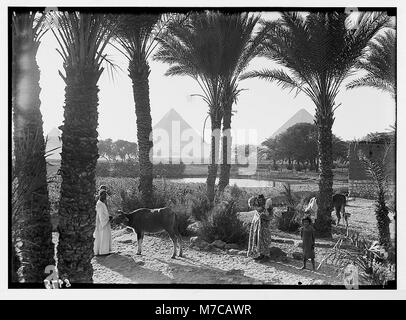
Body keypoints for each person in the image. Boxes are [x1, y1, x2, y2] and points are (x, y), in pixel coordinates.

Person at [247, 194, 272, 261]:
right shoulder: (259, 207)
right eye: (259, 200)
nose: (260, 201)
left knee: (264, 240)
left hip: (264, 227)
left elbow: (270, 216)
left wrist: (263, 215)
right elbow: (257, 214)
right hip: (257, 226)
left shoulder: (267, 206)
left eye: (261, 200)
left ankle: (266, 256)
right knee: (258, 241)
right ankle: (261, 255)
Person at [93, 189, 112, 256]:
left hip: (104, 223)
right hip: (102, 224)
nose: (105, 196)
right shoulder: (100, 204)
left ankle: (103, 251)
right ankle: (103, 252)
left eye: (105, 195)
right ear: (100, 195)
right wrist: (108, 219)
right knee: (103, 237)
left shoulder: (101, 203)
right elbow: (101, 216)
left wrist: (108, 217)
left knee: (103, 237)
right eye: (104, 195)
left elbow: (104, 214)